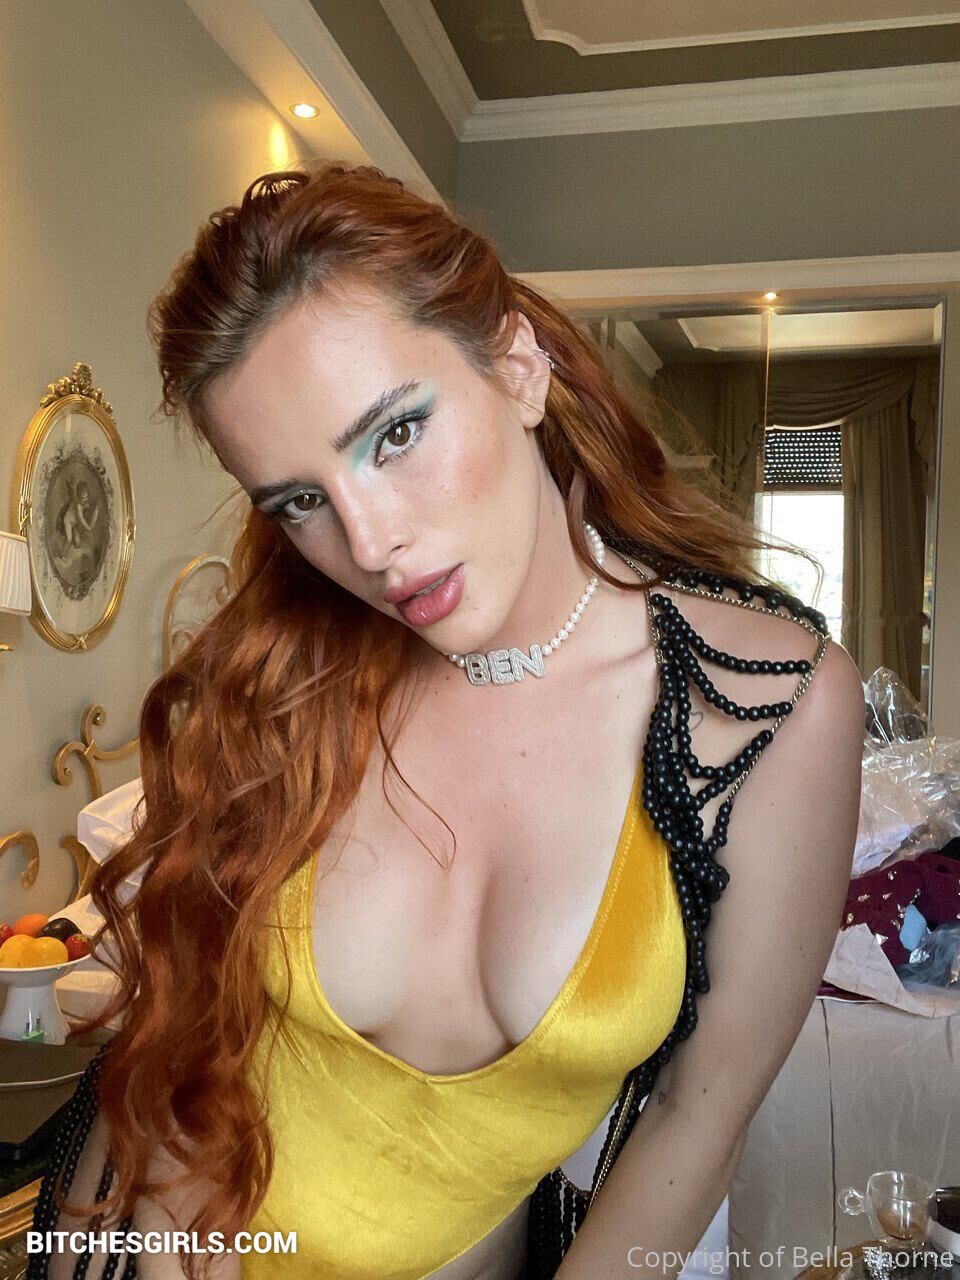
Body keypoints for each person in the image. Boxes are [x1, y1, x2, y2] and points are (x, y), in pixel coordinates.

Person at [35, 163, 864, 1280]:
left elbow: (696, 1116)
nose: (369, 544)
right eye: (300, 501)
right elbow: (189, 1051)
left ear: (517, 366)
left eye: (394, 434)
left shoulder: (770, 707)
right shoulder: (290, 685)